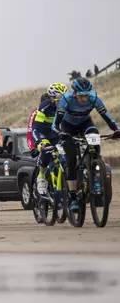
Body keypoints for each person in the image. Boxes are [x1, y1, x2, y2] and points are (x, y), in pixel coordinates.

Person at [52, 77, 120, 211]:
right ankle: (72, 197)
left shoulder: (93, 98)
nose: (84, 99)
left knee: (95, 143)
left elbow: (107, 117)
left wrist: (116, 130)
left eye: (86, 96)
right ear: (75, 93)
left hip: (85, 124)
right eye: (81, 96)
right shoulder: (66, 99)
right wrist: (60, 133)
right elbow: (56, 124)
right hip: (67, 126)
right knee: (71, 157)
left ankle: (95, 176)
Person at [31, 83, 68, 195]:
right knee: (47, 150)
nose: (62, 104)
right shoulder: (44, 107)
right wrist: (39, 142)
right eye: (59, 101)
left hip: (57, 134)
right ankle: (41, 176)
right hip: (44, 133)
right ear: (52, 99)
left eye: (64, 100)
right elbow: (36, 128)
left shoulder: (68, 106)